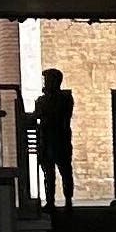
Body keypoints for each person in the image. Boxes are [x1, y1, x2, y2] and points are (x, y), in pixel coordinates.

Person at [32, 68, 76, 209]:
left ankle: (68, 199)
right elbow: (37, 115)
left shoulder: (64, 98)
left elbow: (56, 115)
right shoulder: (43, 100)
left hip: (59, 139)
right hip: (45, 139)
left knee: (65, 171)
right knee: (48, 173)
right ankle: (50, 200)